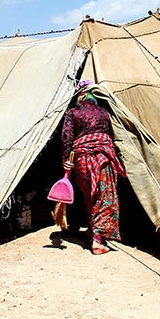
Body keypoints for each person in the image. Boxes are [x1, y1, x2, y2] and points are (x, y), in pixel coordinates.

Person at [61, 81, 125, 255]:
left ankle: (94, 231)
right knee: (104, 196)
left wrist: (66, 159)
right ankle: (98, 239)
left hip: (82, 159)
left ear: (80, 98)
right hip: (103, 157)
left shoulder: (73, 112)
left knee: (89, 195)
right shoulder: (104, 113)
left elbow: (67, 137)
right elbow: (112, 134)